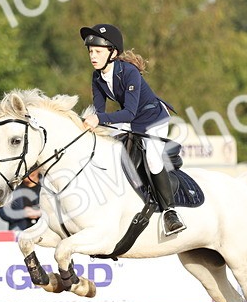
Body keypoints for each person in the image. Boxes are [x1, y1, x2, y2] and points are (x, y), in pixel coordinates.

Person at [78, 23, 184, 235]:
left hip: (153, 119)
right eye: (91, 51)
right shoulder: (97, 77)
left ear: (113, 52)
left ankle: (170, 213)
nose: (93, 56)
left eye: (98, 51)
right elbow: (100, 111)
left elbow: (128, 113)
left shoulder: (129, 72)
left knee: (153, 159)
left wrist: (98, 120)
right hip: (130, 120)